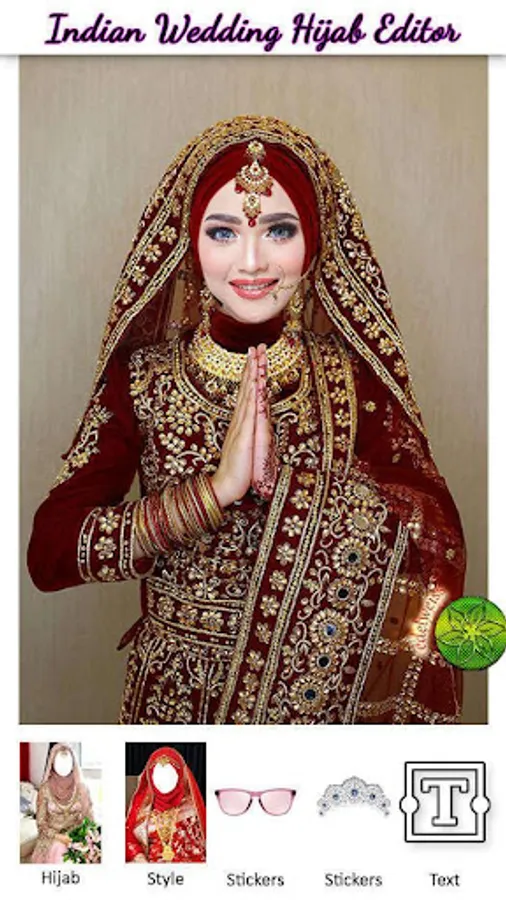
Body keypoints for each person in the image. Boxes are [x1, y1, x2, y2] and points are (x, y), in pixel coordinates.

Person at [28, 115, 465, 725]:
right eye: (223, 232)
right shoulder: (143, 379)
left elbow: (430, 533)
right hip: (178, 696)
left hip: (316, 702)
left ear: (316, 242)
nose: (253, 261)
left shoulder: (353, 378)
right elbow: (50, 553)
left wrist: (289, 488)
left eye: (279, 230)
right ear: (190, 243)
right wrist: (212, 493)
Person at [125, 747, 205, 863]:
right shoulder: (142, 808)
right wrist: (139, 857)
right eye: (158, 776)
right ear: (150, 778)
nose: (164, 782)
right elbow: (128, 838)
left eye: (170, 776)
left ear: (180, 776)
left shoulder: (193, 809)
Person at [31, 744, 93, 863]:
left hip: (75, 834)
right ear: (52, 763)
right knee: (60, 850)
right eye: (59, 762)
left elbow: (89, 818)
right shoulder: (45, 789)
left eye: (67, 762)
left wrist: (83, 835)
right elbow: (41, 824)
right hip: (52, 837)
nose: (63, 766)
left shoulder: (82, 789)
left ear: (73, 764)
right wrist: (61, 838)